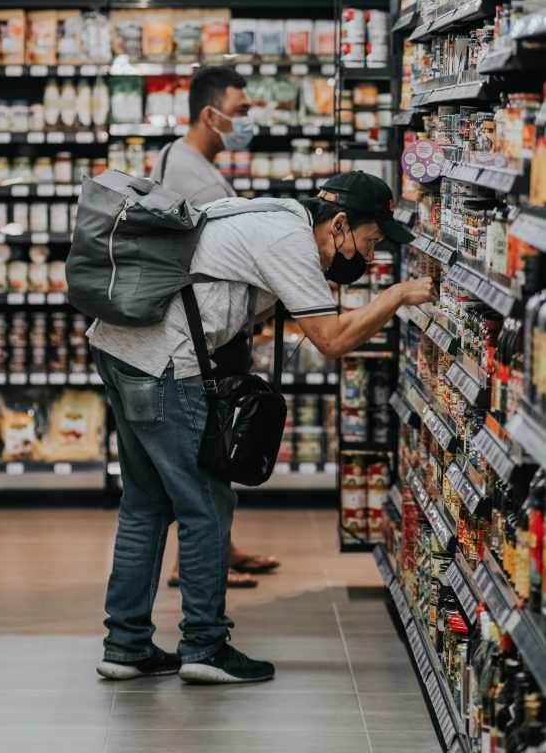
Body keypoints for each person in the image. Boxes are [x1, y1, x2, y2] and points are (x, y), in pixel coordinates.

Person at [91, 161, 436, 686]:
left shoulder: (271, 213)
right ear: (339, 224)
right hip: (164, 364)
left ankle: (126, 646)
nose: (372, 255)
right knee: (206, 505)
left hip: (119, 349)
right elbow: (333, 340)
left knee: (145, 503)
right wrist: (395, 295)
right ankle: (204, 646)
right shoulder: (290, 240)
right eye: (370, 241)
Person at [155, 66, 279, 590]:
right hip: (205, 335)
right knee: (212, 447)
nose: (248, 120)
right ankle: (199, 563)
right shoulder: (200, 179)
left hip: (188, 328)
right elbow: (229, 262)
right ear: (212, 114)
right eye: (243, 110)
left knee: (207, 450)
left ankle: (220, 549)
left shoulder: (174, 155)